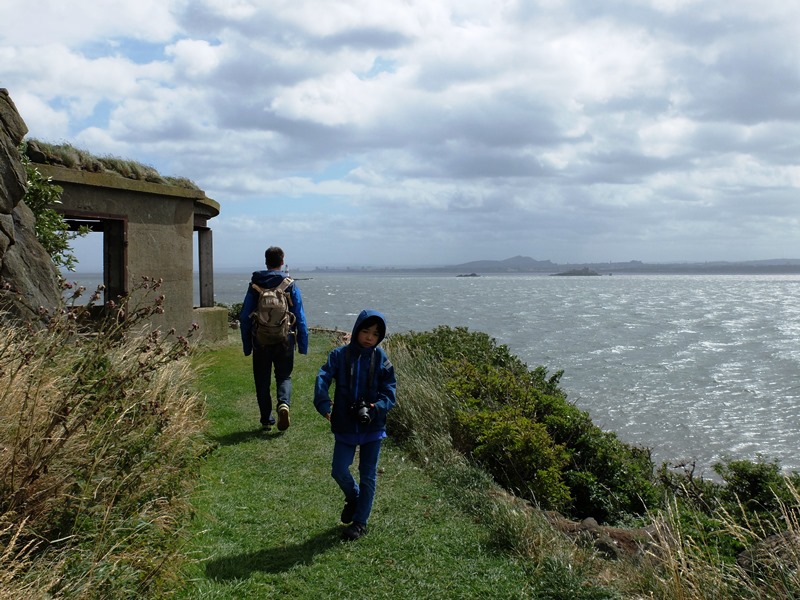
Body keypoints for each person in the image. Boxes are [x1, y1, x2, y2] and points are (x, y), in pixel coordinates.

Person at [313, 309, 397, 540]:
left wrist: (376, 407)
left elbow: (390, 390)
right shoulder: (339, 355)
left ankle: (360, 522)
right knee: (339, 470)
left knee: (368, 474)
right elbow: (323, 377)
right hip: (345, 423)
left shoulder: (381, 359)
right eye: (365, 331)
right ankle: (354, 497)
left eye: (375, 334)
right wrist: (323, 404)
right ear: (356, 329)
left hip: (373, 425)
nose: (369, 337)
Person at [240, 246, 308, 431]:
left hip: (260, 340)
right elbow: (300, 316)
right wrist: (303, 345)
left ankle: (266, 420)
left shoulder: (255, 284)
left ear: (266, 261)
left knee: (262, 380)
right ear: (282, 261)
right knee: (284, 376)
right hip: (284, 339)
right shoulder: (289, 284)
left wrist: (247, 346)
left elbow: (244, 316)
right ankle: (283, 404)